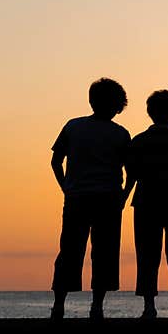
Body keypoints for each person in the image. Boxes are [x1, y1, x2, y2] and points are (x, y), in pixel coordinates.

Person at [50, 78, 131, 320]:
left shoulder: (73, 126)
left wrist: (66, 187)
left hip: (77, 198)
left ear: (91, 100)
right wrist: (124, 196)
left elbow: (56, 161)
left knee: (69, 251)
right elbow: (132, 171)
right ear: (118, 106)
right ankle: (97, 306)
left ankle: (59, 305)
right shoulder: (120, 133)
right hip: (108, 199)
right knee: (104, 253)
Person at [123, 90, 168, 320]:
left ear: (150, 113)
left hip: (147, 201)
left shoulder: (139, 141)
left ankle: (149, 306)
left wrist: (124, 196)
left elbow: (131, 174)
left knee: (147, 254)